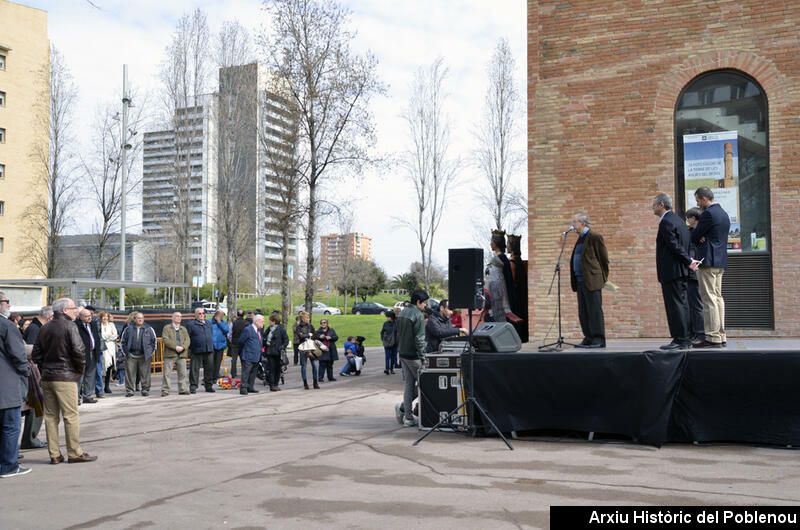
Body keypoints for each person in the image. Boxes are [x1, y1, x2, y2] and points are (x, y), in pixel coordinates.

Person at [31, 297, 97, 465]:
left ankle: (54, 454)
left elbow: (36, 354)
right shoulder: (70, 326)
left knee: (51, 417)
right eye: (74, 308)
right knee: (70, 416)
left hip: (48, 377)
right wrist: (78, 373)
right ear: (65, 310)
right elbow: (79, 351)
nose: (76, 311)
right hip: (65, 377)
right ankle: (74, 452)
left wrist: (45, 367)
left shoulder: (45, 328)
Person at [652, 193, 697, 350]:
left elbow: (674, 245)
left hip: (672, 272)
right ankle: (685, 338)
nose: (652, 207)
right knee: (682, 305)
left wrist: (689, 261)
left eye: (654, 204)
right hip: (681, 271)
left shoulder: (666, 222)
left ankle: (680, 340)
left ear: (662, 205)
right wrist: (688, 262)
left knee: (675, 306)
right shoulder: (678, 220)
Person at [690, 186, 730, 348]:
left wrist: (698, 234)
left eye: (698, 201)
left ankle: (712, 337)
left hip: (707, 261)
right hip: (720, 261)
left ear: (704, 199)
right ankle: (720, 335)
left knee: (709, 299)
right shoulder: (723, 214)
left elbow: (694, 236)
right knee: (718, 298)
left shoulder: (708, 214)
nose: (698, 205)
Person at [0, 292, 32, 478]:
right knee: (11, 427)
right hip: (7, 385)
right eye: (6, 301)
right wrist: (26, 371)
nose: (9, 305)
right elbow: (18, 354)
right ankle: (9, 466)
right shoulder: (7, 326)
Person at [568, 213, 609, 348]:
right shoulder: (580, 239)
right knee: (583, 311)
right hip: (580, 281)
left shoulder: (594, 237)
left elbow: (604, 260)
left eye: (575, 222)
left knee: (594, 310)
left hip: (592, 280)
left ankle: (598, 339)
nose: (572, 225)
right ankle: (588, 337)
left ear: (583, 223)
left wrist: (601, 279)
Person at [395, 289, 428, 427]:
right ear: (418, 302)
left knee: (409, 385)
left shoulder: (402, 313)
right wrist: (424, 359)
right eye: (425, 303)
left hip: (403, 353)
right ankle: (406, 410)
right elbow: (420, 340)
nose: (426, 305)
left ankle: (407, 416)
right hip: (413, 356)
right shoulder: (418, 315)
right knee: (425, 383)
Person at [119, 312, 157, 397]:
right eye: (138, 318)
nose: (140, 320)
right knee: (129, 374)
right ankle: (130, 391)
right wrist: (126, 353)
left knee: (145, 374)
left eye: (142, 318)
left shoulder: (149, 329)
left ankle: (145, 390)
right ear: (134, 319)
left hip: (144, 355)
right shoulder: (128, 328)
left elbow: (154, 342)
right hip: (131, 355)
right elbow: (123, 341)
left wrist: (150, 353)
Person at [685, 208, 706, 342]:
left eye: (688, 218)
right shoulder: (694, 233)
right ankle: (695, 332)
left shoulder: (699, 234)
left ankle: (699, 333)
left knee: (696, 304)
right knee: (693, 304)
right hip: (695, 272)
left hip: (695, 272)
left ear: (694, 218)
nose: (687, 221)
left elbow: (693, 253)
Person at [185, 307, 216, 393]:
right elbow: (187, 337)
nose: (202, 315)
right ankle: (193, 386)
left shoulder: (208, 323)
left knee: (209, 369)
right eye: (199, 313)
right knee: (194, 369)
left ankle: (208, 386)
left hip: (208, 349)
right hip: (196, 350)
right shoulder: (191, 325)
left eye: (203, 313)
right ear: (195, 315)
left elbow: (210, 334)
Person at [76, 308, 103, 404]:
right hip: (82, 354)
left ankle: (87, 396)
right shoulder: (76, 326)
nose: (89, 318)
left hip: (93, 352)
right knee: (80, 377)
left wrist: (98, 350)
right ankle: (76, 398)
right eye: (86, 316)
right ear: (80, 317)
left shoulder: (92, 324)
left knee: (90, 376)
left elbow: (97, 337)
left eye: (90, 316)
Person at [160, 312, 190, 397]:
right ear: (172, 318)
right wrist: (175, 347)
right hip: (170, 353)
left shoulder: (183, 329)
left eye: (180, 316)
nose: (179, 318)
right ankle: (165, 390)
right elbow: (165, 339)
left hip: (182, 354)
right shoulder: (167, 328)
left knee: (183, 373)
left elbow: (187, 340)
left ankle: (183, 389)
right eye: (177, 316)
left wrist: (183, 347)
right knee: (167, 373)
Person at [237, 314, 265, 395]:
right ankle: (243, 388)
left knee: (253, 373)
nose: (263, 323)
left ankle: (250, 387)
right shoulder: (248, 330)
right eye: (262, 322)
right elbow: (241, 341)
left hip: (256, 355)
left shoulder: (258, 330)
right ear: (256, 321)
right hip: (248, 355)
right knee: (246, 372)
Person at [263, 314, 289, 392]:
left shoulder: (281, 329)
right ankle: (272, 385)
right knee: (271, 368)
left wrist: (282, 347)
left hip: (278, 353)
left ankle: (276, 384)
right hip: (269, 351)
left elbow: (286, 340)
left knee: (278, 369)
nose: (269, 322)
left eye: (270, 321)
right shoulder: (269, 329)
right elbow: (264, 336)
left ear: (274, 321)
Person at [98, 311, 117, 394]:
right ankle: (99, 387)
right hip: (102, 347)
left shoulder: (111, 325)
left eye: (106, 316)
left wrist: (108, 337)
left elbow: (115, 335)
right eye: (103, 316)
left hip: (111, 348)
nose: (105, 318)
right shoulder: (99, 325)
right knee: (102, 367)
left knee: (109, 367)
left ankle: (107, 386)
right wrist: (108, 335)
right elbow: (101, 336)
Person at [314, 318, 339, 383]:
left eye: (324, 322)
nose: (323, 324)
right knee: (322, 364)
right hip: (322, 350)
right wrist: (320, 337)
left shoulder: (331, 330)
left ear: (327, 323)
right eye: (321, 323)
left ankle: (330, 377)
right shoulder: (318, 331)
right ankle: (320, 378)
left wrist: (331, 338)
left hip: (330, 349)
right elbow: (315, 339)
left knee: (330, 364)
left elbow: (336, 337)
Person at [229, 309, 250, 379]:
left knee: (234, 360)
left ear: (237, 315)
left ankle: (233, 373)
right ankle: (244, 373)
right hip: (243, 343)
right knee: (244, 359)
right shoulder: (246, 323)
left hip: (235, 343)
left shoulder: (233, 323)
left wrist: (231, 341)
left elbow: (230, 334)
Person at [209, 310, 229, 381]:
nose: (223, 316)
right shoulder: (209, 322)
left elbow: (226, 330)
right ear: (218, 315)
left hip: (220, 345)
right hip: (212, 345)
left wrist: (219, 322)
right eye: (222, 315)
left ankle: (215, 376)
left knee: (218, 362)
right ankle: (209, 377)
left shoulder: (223, 323)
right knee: (210, 362)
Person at [380, 310, 398, 375]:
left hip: (395, 343)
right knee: (387, 356)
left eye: (388, 317)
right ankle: (387, 369)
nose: (387, 318)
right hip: (387, 343)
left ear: (392, 317)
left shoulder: (396, 323)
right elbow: (382, 332)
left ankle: (392, 369)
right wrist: (383, 339)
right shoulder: (385, 323)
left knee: (393, 356)